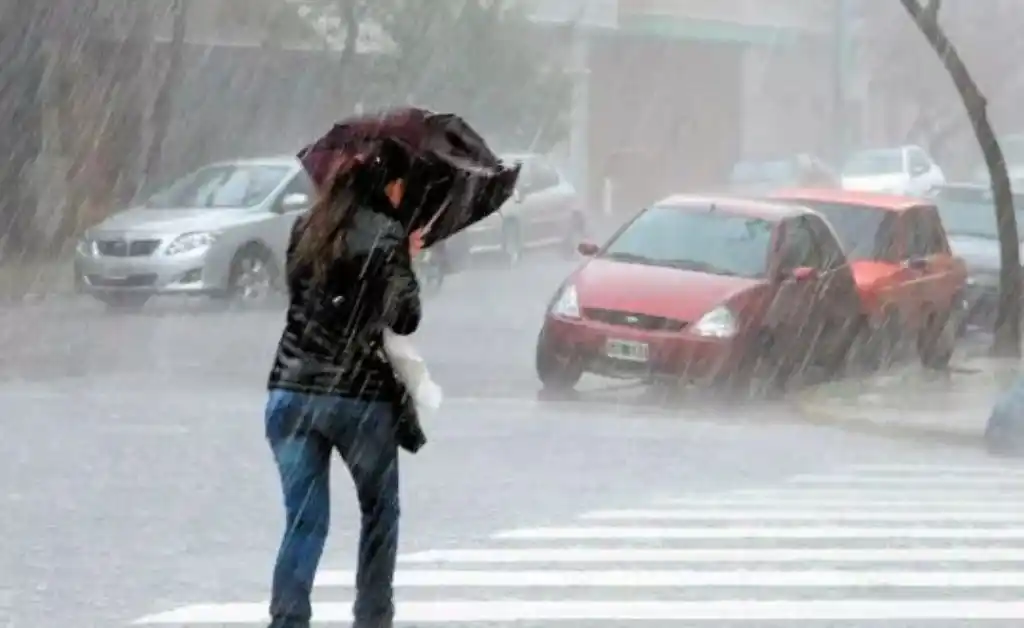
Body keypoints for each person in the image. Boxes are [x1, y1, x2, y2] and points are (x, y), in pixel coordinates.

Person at [264, 137, 423, 628]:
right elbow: (406, 316)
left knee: (304, 520)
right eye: (401, 185)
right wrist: (406, 261)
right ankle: (372, 617)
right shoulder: (385, 233)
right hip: (357, 398)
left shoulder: (305, 226)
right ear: (389, 185)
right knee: (378, 513)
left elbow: (301, 295)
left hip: (291, 390)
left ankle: (288, 619)